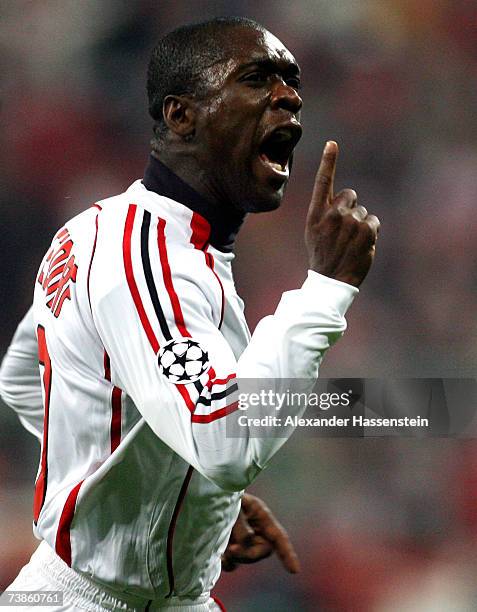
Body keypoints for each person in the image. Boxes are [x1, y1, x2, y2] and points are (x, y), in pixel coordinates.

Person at [0, 16, 379, 611]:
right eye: (258, 78)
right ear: (180, 115)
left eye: (292, 81)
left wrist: (172, 487)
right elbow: (227, 445)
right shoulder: (144, 256)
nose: (289, 97)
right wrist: (325, 290)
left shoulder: (105, 231)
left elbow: (23, 378)